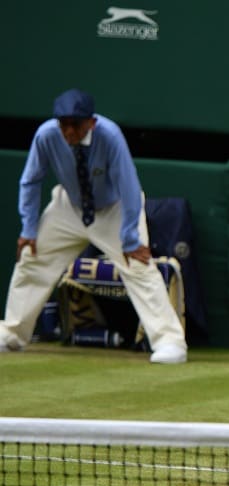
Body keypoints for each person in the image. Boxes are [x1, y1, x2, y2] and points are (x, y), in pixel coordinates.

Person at [0, 88, 187, 364]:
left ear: (91, 122)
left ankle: (171, 343)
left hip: (115, 208)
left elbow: (129, 186)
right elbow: (30, 180)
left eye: (75, 125)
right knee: (32, 256)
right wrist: (28, 229)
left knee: (138, 265)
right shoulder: (47, 135)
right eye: (63, 124)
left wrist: (130, 237)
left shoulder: (110, 136)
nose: (68, 132)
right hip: (69, 207)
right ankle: (12, 335)